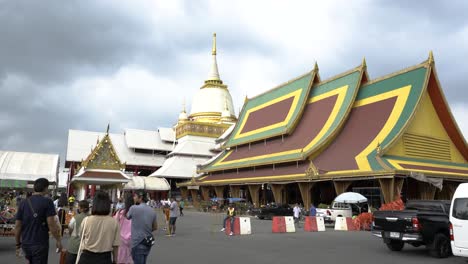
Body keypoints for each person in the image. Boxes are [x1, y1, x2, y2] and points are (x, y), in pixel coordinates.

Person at [15, 178, 62, 264]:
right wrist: (58, 240)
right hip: (40, 243)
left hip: (26, 243)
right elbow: (51, 224)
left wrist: (18, 244)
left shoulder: (23, 203)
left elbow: (18, 226)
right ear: (46, 188)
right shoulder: (47, 202)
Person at [77, 191, 120, 264]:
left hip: (86, 257)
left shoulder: (86, 220)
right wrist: (115, 260)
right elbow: (115, 245)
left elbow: (81, 237)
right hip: (105, 258)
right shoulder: (114, 222)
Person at [127, 190, 158, 264]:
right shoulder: (152, 210)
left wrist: (134, 204)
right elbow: (155, 227)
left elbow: (127, 216)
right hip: (148, 241)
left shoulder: (133, 208)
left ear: (140, 198)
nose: (133, 198)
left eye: (135, 196)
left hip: (137, 241)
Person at [66, 200, 89, 264]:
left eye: (79, 207)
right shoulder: (90, 218)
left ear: (83, 208)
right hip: (85, 246)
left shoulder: (75, 218)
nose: (78, 208)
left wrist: (71, 234)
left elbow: (70, 227)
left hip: (73, 244)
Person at [114, 195, 134, 264]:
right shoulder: (136, 214)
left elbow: (115, 223)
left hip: (121, 239)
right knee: (129, 260)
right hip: (132, 239)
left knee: (120, 259)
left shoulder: (120, 212)